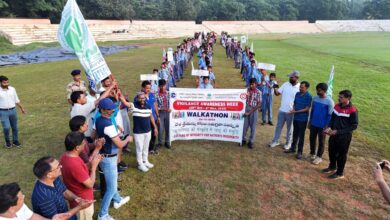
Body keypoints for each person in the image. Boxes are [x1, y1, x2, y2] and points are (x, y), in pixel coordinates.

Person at [95, 98, 133, 220]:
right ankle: (103, 214)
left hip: (103, 156)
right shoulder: (108, 125)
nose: (112, 110)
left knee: (112, 182)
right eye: (110, 109)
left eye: (113, 108)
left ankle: (117, 200)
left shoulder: (99, 119)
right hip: (109, 159)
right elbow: (120, 144)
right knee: (111, 188)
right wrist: (127, 139)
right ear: (102, 110)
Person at [60, 132, 102, 220]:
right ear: (77, 147)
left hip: (75, 198)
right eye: (83, 143)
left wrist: (91, 163)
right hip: (83, 202)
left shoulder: (65, 156)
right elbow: (90, 184)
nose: (85, 145)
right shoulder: (74, 164)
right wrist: (94, 168)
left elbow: (80, 170)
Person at [322, 90, 358, 179]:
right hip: (333, 134)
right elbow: (332, 119)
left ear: (348, 98)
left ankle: (340, 173)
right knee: (331, 151)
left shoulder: (352, 110)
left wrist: (338, 132)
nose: (339, 98)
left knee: (341, 154)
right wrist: (329, 127)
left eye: (341, 97)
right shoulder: (337, 106)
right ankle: (332, 166)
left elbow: (354, 126)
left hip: (344, 137)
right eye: (339, 96)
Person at [0, 183, 70, 220]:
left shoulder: (19, 207)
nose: (24, 197)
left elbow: (31, 217)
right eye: (21, 199)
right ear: (11, 209)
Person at [269, 71, 300, 150]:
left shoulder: (300, 88)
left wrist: (295, 110)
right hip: (282, 110)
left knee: (290, 129)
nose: (290, 78)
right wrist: (275, 87)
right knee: (278, 127)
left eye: (292, 77)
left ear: (296, 78)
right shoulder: (286, 84)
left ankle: (288, 143)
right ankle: (276, 141)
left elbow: (300, 101)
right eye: (289, 77)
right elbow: (277, 93)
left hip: (291, 112)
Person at [284, 81, 312, 159]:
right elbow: (295, 104)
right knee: (295, 133)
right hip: (296, 118)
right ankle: (293, 148)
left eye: (302, 87)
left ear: (306, 88)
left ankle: (300, 152)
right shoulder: (297, 94)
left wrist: (295, 111)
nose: (300, 88)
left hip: (303, 119)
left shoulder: (309, 96)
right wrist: (293, 109)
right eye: (300, 87)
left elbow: (307, 109)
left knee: (301, 136)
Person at [131, 92, 158, 172]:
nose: (142, 99)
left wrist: (155, 127)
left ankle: (145, 161)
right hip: (138, 132)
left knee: (146, 147)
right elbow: (126, 103)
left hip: (148, 131)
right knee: (139, 148)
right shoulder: (133, 106)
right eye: (140, 98)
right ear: (137, 98)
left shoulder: (148, 106)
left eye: (143, 98)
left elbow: (151, 117)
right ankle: (140, 164)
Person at [308, 83, 334, 165]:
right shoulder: (315, 98)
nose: (317, 92)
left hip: (323, 126)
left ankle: (319, 157)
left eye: (319, 91)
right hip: (313, 123)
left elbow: (330, 115)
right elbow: (312, 110)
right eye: (317, 90)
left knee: (321, 141)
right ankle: (312, 153)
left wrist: (326, 126)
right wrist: (310, 121)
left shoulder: (329, 101)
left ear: (325, 91)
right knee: (312, 138)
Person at [0, 76, 25, 148]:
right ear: (1, 83)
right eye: (4, 83)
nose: (6, 84)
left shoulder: (12, 89)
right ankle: (7, 141)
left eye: (7, 82)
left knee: (15, 127)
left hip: (13, 110)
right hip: (3, 112)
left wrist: (21, 108)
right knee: (6, 127)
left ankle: (15, 141)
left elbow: (16, 100)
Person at [242, 78, 262, 149]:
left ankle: (251, 141)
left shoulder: (258, 92)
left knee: (253, 127)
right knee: (244, 126)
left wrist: (249, 112)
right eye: (250, 84)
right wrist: (245, 96)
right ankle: (243, 139)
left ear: (256, 84)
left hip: (254, 110)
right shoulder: (246, 90)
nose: (251, 86)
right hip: (246, 108)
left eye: (252, 84)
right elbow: (241, 98)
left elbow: (259, 104)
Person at [156, 79, 171, 149]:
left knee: (168, 128)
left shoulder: (169, 93)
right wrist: (163, 109)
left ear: (166, 85)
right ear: (159, 86)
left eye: (164, 86)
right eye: (161, 86)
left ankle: (167, 141)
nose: (163, 87)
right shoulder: (157, 95)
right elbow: (156, 106)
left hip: (168, 113)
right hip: (161, 113)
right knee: (160, 128)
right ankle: (159, 142)